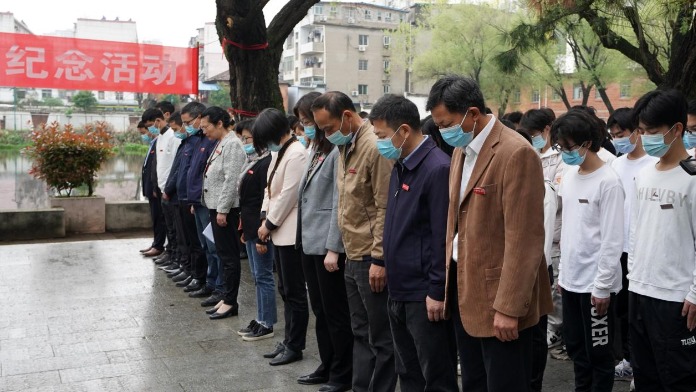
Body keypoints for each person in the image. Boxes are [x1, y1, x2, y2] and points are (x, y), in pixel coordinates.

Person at [427, 75, 552, 392]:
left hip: (500, 300)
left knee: (504, 383)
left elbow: (525, 241)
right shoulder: (462, 149)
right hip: (465, 289)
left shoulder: (515, 152)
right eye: (439, 125)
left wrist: (508, 308)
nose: (443, 132)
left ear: (472, 113)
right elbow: (455, 223)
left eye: (448, 123)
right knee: (474, 381)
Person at [370, 94, 458, 391]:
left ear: (404, 130)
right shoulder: (401, 164)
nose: (378, 142)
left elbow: (440, 236)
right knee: (407, 370)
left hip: (423, 294)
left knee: (435, 373)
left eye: (381, 135)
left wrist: (436, 289)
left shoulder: (436, 168)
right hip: (399, 288)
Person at [312, 91, 397, 392]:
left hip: (369, 257)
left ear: (347, 116)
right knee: (360, 330)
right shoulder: (344, 147)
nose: (326, 135)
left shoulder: (375, 147)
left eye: (328, 128)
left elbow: (385, 207)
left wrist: (379, 259)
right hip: (352, 252)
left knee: (381, 336)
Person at [552, 110, 624, 392]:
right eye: (561, 146)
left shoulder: (609, 181)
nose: (566, 152)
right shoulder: (569, 176)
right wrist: (563, 275)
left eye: (569, 146)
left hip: (597, 285)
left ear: (587, 142)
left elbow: (612, 239)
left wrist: (603, 287)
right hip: (571, 281)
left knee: (599, 354)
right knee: (577, 350)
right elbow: (570, 228)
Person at [628, 89, 696, 391]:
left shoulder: (692, 177)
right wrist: (632, 275)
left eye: (652, 132)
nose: (645, 139)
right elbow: (636, 230)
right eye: (642, 132)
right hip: (640, 290)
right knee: (645, 375)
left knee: (678, 378)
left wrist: (694, 293)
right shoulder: (643, 174)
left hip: (676, 298)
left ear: (677, 129)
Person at [294, 92, 353, 392]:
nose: (306, 127)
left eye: (309, 122)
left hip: (328, 247)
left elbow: (337, 202)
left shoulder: (336, 152)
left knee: (336, 312)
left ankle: (342, 374)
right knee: (320, 308)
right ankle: (327, 363)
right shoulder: (316, 148)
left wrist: (334, 247)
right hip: (308, 241)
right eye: (304, 122)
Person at [606, 107, 658, 384]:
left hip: (641, 248)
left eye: (621, 134)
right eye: (613, 135)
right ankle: (628, 359)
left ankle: (643, 363)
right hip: (618, 247)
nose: (617, 140)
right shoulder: (616, 163)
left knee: (640, 311)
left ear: (637, 131)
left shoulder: (651, 163)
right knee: (622, 309)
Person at [254, 108, 309, 366]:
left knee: (295, 292)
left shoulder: (296, 153)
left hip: (289, 231)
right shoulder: (280, 152)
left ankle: (295, 345)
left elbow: (289, 194)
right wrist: (265, 218)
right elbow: (269, 189)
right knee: (284, 289)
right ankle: (288, 340)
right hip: (277, 229)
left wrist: (270, 224)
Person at [521, 108, 568, 361]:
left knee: (554, 289)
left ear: (548, 129)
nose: (534, 139)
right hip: (537, 234)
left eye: (537, 134)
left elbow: (557, 199)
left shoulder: (559, 159)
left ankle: (554, 329)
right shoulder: (533, 155)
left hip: (556, 233)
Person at [200, 106, 246, 320]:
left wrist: (223, 209)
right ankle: (225, 297)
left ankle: (230, 301)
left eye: (206, 126)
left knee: (228, 257)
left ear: (219, 123)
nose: (204, 131)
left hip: (225, 210)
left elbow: (232, 179)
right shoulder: (221, 142)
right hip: (216, 207)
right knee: (222, 254)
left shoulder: (233, 144)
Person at [234, 119, 277, 341]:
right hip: (250, 227)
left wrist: (263, 231)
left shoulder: (267, 163)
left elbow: (264, 200)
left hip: (261, 229)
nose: (244, 142)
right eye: (242, 138)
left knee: (264, 276)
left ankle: (267, 323)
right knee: (257, 276)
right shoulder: (253, 161)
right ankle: (260, 318)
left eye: (247, 138)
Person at [179, 102, 221, 301]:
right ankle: (209, 283)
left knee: (214, 247)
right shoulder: (198, 140)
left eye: (190, 122)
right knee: (205, 245)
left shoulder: (213, 141)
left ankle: (217, 286)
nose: (189, 126)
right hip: (197, 201)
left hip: (207, 202)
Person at [143, 107, 181, 271]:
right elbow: (157, 165)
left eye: (152, 124)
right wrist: (155, 185)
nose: (151, 128)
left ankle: (177, 258)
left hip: (171, 189)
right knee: (168, 225)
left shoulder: (173, 136)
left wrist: (168, 188)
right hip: (161, 188)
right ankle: (170, 253)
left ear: (159, 120)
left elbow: (175, 165)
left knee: (175, 227)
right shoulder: (160, 137)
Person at [138, 121, 166, 259]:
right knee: (155, 218)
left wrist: (156, 187)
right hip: (151, 189)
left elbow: (157, 168)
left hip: (156, 189)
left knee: (159, 218)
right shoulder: (152, 144)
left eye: (144, 132)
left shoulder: (159, 142)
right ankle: (156, 243)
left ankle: (159, 246)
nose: (144, 136)